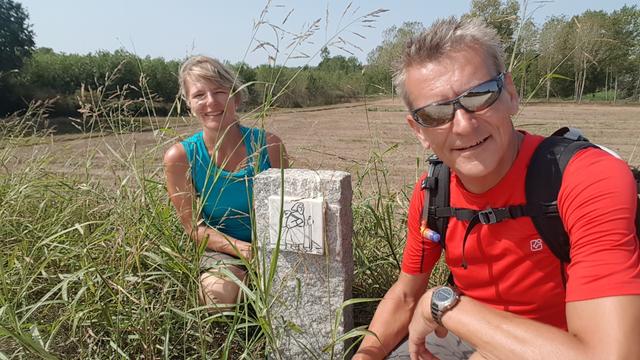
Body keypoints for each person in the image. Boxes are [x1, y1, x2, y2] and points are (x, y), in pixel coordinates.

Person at [355, 17, 640, 359]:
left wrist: (444, 306)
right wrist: (366, 353)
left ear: (510, 93)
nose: (462, 125)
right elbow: (405, 294)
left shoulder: (585, 178)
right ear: (419, 131)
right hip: (460, 335)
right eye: (435, 113)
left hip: (557, 344)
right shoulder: (433, 191)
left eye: (479, 96)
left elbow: (608, 356)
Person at [164, 55, 288, 306]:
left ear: (236, 96)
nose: (211, 102)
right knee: (219, 293)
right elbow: (193, 228)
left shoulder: (269, 144)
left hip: (276, 246)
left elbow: (290, 208)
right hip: (222, 250)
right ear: (188, 103)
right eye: (199, 95)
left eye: (220, 91)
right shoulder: (181, 157)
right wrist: (244, 250)